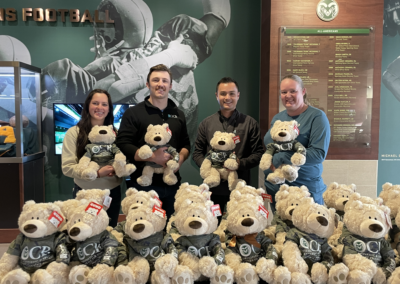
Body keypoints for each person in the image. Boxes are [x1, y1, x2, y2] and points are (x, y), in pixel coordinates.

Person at [116, 64, 190, 219]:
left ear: (170, 86)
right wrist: (151, 157)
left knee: (170, 228)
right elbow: (123, 144)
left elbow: (185, 144)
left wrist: (179, 160)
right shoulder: (133, 113)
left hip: (171, 183)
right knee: (143, 230)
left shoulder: (179, 114)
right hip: (142, 184)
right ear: (147, 84)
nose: (160, 84)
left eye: (164, 81)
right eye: (155, 80)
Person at [192, 77, 264, 219]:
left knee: (238, 228)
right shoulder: (206, 124)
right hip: (213, 189)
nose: (227, 97)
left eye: (232, 93)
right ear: (217, 96)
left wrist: (239, 164)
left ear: (238, 95)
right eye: (223, 93)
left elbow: (258, 154)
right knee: (213, 225)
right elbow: (197, 153)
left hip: (239, 188)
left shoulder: (250, 123)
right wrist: (210, 167)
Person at [263, 75, 331, 213]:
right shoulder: (278, 117)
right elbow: (272, 146)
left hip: (304, 190)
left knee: (307, 232)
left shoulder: (317, 117)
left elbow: (318, 155)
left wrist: (282, 157)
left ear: (303, 91)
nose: (288, 95)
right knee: (281, 231)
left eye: (293, 91)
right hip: (277, 189)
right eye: (284, 92)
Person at [61, 89, 122, 227]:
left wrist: (120, 168)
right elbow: (67, 168)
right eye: (95, 103)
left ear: (109, 109)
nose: (100, 108)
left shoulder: (115, 134)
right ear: (88, 106)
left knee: (109, 232)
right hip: (84, 192)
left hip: (112, 193)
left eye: (104, 104)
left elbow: (122, 159)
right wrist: (97, 174)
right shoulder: (74, 133)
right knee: (85, 231)